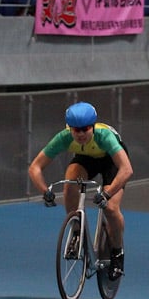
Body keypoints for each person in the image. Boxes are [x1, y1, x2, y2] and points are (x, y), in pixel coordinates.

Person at [28, 102, 133, 280]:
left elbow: (126, 170)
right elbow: (35, 167)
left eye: (85, 129)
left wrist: (107, 194)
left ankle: (117, 253)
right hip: (86, 159)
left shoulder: (105, 136)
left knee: (111, 208)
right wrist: (45, 191)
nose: (81, 134)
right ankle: (77, 230)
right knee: (70, 183)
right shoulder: (63, 138)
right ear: (69, 129)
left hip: (111, 161)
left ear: (92, 126)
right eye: (76, 130)